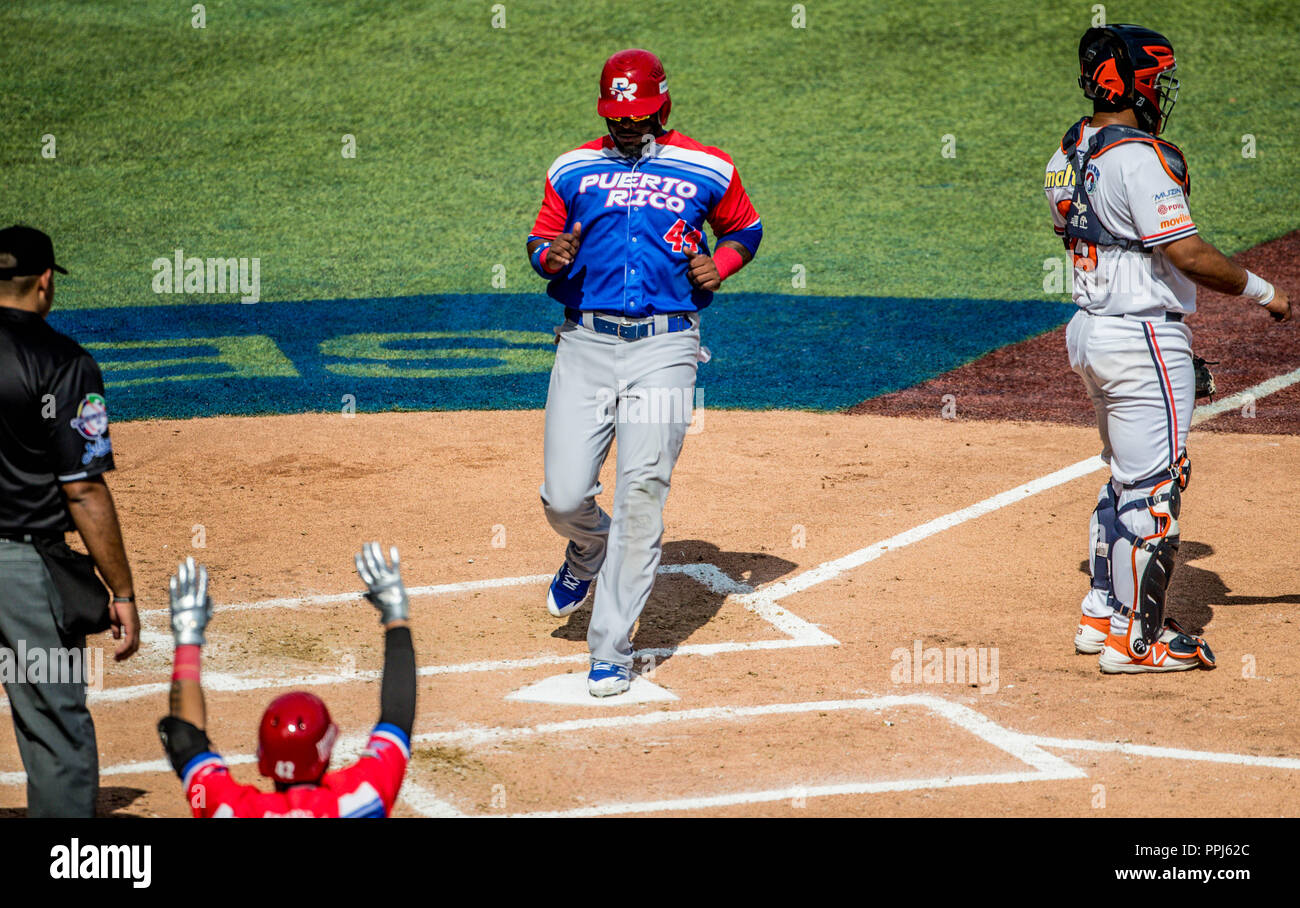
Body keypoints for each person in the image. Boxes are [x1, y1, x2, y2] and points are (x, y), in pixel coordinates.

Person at [1044, 25, 1290, 673]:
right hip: (1139, 333)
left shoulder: (1068, 152)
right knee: (1155, 488)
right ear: (1132, 81)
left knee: (1125, 475)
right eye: (1157, 76)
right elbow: (1184, 252)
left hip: (1091, 331)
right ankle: (1138, 641)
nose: (1162, 88)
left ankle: (1103, 612)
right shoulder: (1139, 157)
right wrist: (1263, 290)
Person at [526, 48, 763, 697]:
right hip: (585, 343)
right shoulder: (572, 167)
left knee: (641, 491)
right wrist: (553, 254)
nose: (627, 125)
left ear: (663, 105)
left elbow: (745, 226)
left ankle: (610, 648)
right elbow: (539, 242)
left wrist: (727, 263)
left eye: (638, 115)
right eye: (616, 115)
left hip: (666, 350)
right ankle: (585, 549)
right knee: (564, 496)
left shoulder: (708, 165)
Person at [0, 224, 139, 816]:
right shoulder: (66, 364)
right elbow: (83, 489)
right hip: (22, 574)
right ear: (46, 281)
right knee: (56, 730)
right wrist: (122, 590)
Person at [156, 544, 415, 817]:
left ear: (262, 756)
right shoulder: (362, 801)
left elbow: (187, 738)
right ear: (325, 751)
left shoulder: (230, 809)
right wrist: (395, 614)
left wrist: (187, 637)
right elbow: (398, 716)